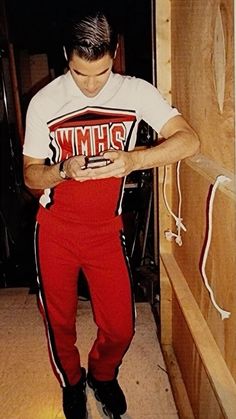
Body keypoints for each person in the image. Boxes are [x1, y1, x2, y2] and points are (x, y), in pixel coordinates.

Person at [23, 9, 199, 419]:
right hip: (54, 231)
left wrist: (133, 160)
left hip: (106, 231)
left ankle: (103, 375)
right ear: (68, 54)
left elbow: (188, 140)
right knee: (59, 321)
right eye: (79, 74)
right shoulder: (45, 101)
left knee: (121, 327)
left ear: (114, 54)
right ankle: (71, 381)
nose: (89, 86)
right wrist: (63, 170)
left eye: (100, 74)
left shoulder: (135, 92)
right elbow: (32, 176)